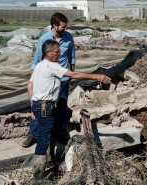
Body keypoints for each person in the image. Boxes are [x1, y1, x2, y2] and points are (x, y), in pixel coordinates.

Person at [29, 39, 111, 181]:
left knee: (47, 135)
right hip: (45, 107)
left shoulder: (40, 65)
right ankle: (37, 179)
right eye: (57, 52)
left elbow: (30, 85)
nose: (60, 54)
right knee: (42, 141)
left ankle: (48, 162)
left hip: (40, 105)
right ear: (48, 53)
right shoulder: (51, 66)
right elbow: (73, 75)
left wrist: (33, 106)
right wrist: (97, 76)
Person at [23, 12, 76, 148]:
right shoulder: (44, 39)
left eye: (66, 27)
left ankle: (57, 133)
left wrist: (71, 74)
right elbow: (36, 61)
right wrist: (32, 80)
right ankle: (33, 134)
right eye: (63, 27)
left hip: (63, 78)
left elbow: (72, 58)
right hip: (46, 80)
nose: (65, 30)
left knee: (61, 107)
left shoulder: (69, 37)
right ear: (54, 26)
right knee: (41, 106)